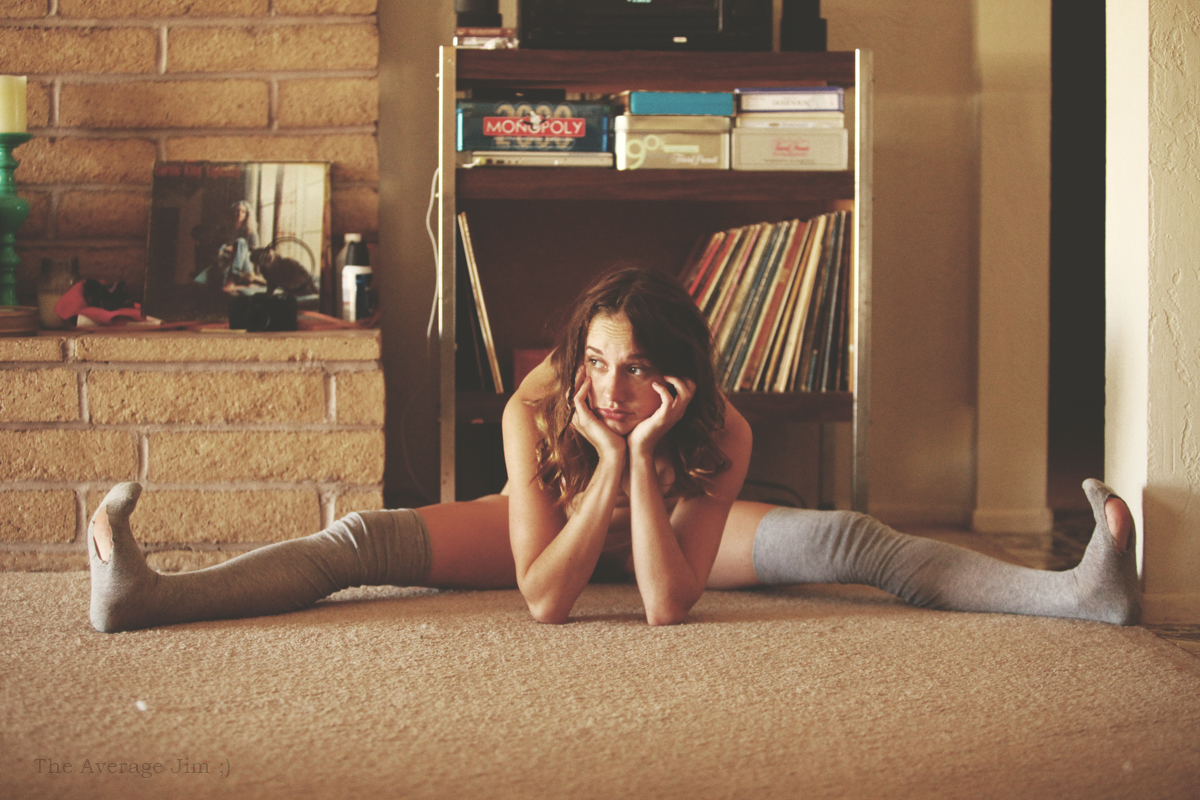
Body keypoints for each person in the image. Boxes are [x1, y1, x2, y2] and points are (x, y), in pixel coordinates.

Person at [87, 268, 1140, 633]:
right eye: (596, 361)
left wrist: (637, 461)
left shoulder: (720, 428)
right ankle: (146, 596)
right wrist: (599, 455)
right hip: (551, 524)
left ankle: (1078, 593)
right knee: (358, 540)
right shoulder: (539, 408)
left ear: (678, 376)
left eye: (637, 370)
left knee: (857, 541)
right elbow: (548, 596)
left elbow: (667, 603)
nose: (610, 389)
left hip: (667, 525)